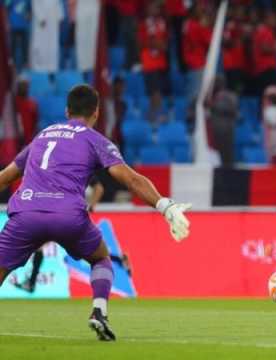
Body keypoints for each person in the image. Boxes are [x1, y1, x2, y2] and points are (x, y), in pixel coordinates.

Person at [0, 85, 191, 341]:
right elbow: (130, 179)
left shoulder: (42, 136)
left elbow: (5, 177)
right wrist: (164, 205)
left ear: (67, 111)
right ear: (96, 112)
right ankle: (99, 311)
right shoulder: (94, 139)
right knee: (101, 258)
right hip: (68, 215)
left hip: (26, 213)